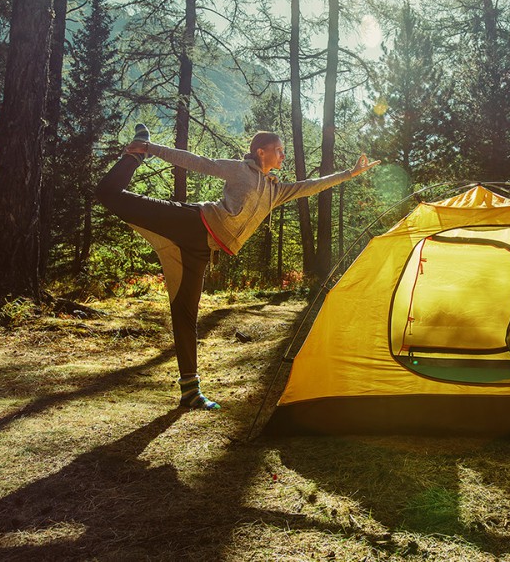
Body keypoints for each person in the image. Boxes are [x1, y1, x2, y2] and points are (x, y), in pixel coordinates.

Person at [95, 124, 379, 410]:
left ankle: (190, 393)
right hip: (193, 222)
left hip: (201, 250)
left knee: (185, 314)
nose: (283, 156)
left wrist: (349, 174)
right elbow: (197, 162)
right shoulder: (239, 170)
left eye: (284, 152)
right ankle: (136, 152)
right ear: (261, 152)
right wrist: (150, 149)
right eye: (279, 151)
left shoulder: (275, 191)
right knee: (108, 193)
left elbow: (310, 187)